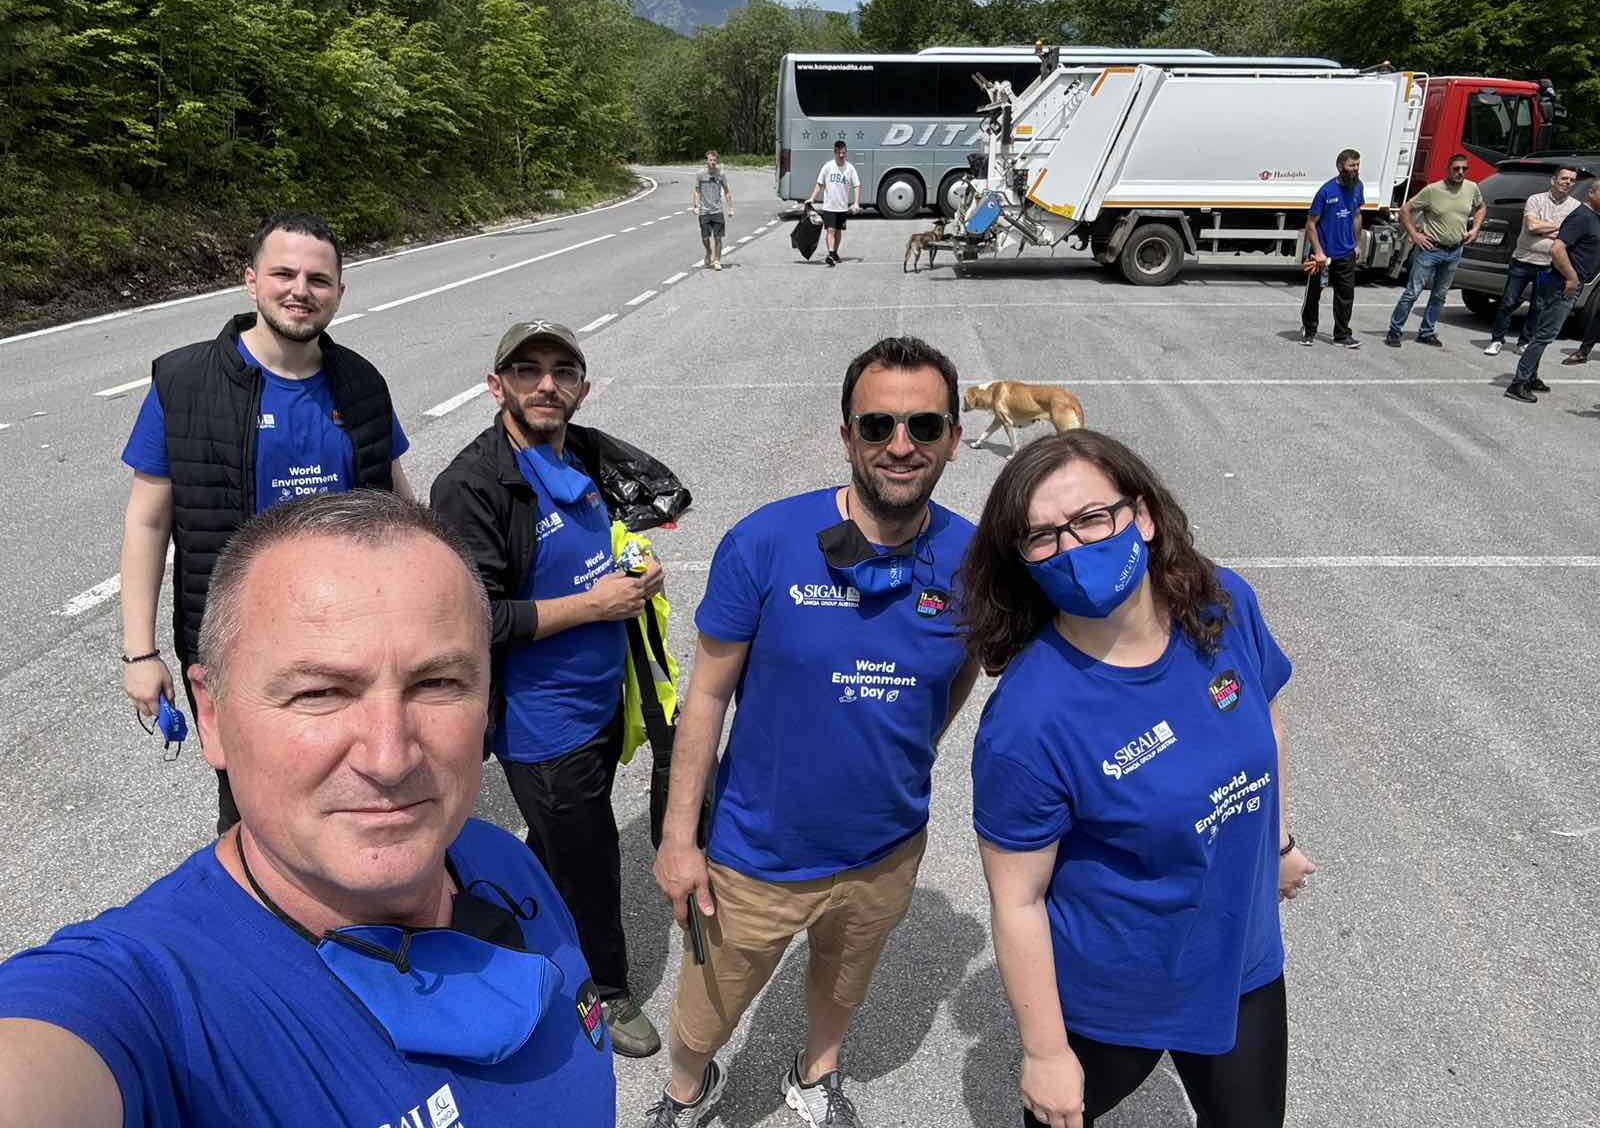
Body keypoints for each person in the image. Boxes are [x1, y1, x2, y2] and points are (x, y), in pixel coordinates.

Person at [0, 491, 617, 1126]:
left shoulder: (499, 857)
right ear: (210, 716)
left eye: (437, 683)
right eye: (319, 692)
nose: (389, 758)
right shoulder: (154, 1001)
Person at [648, 337, 981, 1128]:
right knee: (705, 1012)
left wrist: (909, 749)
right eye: (878, 425)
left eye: (924, 426)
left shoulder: (973, 558)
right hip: (757, 853)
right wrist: (679, 839)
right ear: (847, 436)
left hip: (886, 847)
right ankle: (689, 1088)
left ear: (953, 440)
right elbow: (706, 697)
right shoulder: (765, 542)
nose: (900, 445)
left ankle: (813, 1073)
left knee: (843, 984)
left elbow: (963, 670)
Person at [961, 430, 1316, 1128]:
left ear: (1143, 517)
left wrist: (1277, 844)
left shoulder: (1221, 606)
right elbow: (1018, 899)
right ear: (1022, 559)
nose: (1072, 548)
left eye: (1092, 519)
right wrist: (1044, 1051)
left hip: (1238, 957)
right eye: (1042, 537)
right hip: (1114, 995)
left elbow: (1266, 728)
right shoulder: (1028, 720)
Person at [118, 209, 412, 835]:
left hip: (351, 636)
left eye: (318, 279)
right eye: (284, 274)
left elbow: (397, 504)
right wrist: (139, 652)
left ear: (339, 292)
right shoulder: (183, 383)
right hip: (237, 641)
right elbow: (146, 524)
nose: (300, 290)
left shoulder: (362, 384)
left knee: (356, 784)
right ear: (251, 280)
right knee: (253, 803)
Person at [429, 319, 665, 1057]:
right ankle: (608, 989)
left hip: (603, 702)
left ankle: (517, 908)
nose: (546, 385)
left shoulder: (582, 453)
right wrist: (595, 606)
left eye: (562, 372)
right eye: (527, 370)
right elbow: (474, 618)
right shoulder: (472, 486)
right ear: (495, 385)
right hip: (541, 724)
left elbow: (621, 528)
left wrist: (637, 568)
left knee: (561, 844)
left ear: (583, 389)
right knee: (591, 863)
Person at [1506, 181, 1600, 402]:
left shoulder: (1594, 218)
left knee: (1543, 330)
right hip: (1562, 284)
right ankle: (1518, 383)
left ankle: (1531, 377)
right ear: (1591, 193)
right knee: (1545, 334)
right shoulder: (1581, 217)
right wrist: (1571, 278)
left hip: (1566, 282)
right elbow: (1557, 249)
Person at [1386, 154, 1485, 347]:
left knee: (1440, 295)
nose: (1460, 172)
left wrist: (1475, 229)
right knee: (1413, 292)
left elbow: (1481, 207)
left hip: (1454, 251)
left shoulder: (1472, 188)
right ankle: (1394, 331)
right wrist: (1415, 234)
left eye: (1464, 169)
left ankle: (1426, 332)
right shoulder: (1433, 190)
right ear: (1448, 169)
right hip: (1431, 250)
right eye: (1456, 168)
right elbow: (1405, 210)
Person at [1486, 166, 1578, 355]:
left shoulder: (1575, 207)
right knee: (1508, 302)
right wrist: (1558, 228)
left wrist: (1545, 229)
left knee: (1538, 305)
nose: (1568, 182)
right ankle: (1496, 340)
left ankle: (1524, 342)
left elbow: (1570, 235)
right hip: (1522, 262)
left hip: (1547, 268)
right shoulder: (1535, 199)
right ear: (1554, 180)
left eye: (1571, 180)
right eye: (1564, 178)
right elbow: (1531, 226)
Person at [1301, 148, 1365, 348]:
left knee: (1345, 296)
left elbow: (1356, 216)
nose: (1355, 169)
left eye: (1357, 165)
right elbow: (1311, 224)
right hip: (1323, 256)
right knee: (1313, 295)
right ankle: (1309, 330)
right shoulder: (1326, 191)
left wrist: (1357, 244)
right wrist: (1319, 252)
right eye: (1351, 165)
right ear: (1340, 167)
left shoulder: (1358, 187)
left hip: (1346, 253)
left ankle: (1342, 336)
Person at [807, 139, 862, 267]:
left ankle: (835, 252)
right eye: (839, 153)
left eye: (843, 152)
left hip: (842, 207)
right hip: (829, 207)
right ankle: (831, 254)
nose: (841, 155)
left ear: (846, 152)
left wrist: (856, 203)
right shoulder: (828, 167)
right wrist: (812, 198)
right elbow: (819, 184)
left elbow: (857, 185)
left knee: (838, 231)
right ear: (835, 152)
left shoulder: (850, 168)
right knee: (830, 230)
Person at [692, 150, 735, 270]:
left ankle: (717, 260)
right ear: (706, 161)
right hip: (704, 211)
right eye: (710, 160)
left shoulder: (721, 174)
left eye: (715, 160)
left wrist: (731, 208)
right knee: (705, 237)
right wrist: (696, 206)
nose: (713, 162)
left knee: (718, 237)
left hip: (717, 210)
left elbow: (727, 191)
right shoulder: (700, 174)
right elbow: (696, 191)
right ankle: (708, 251)